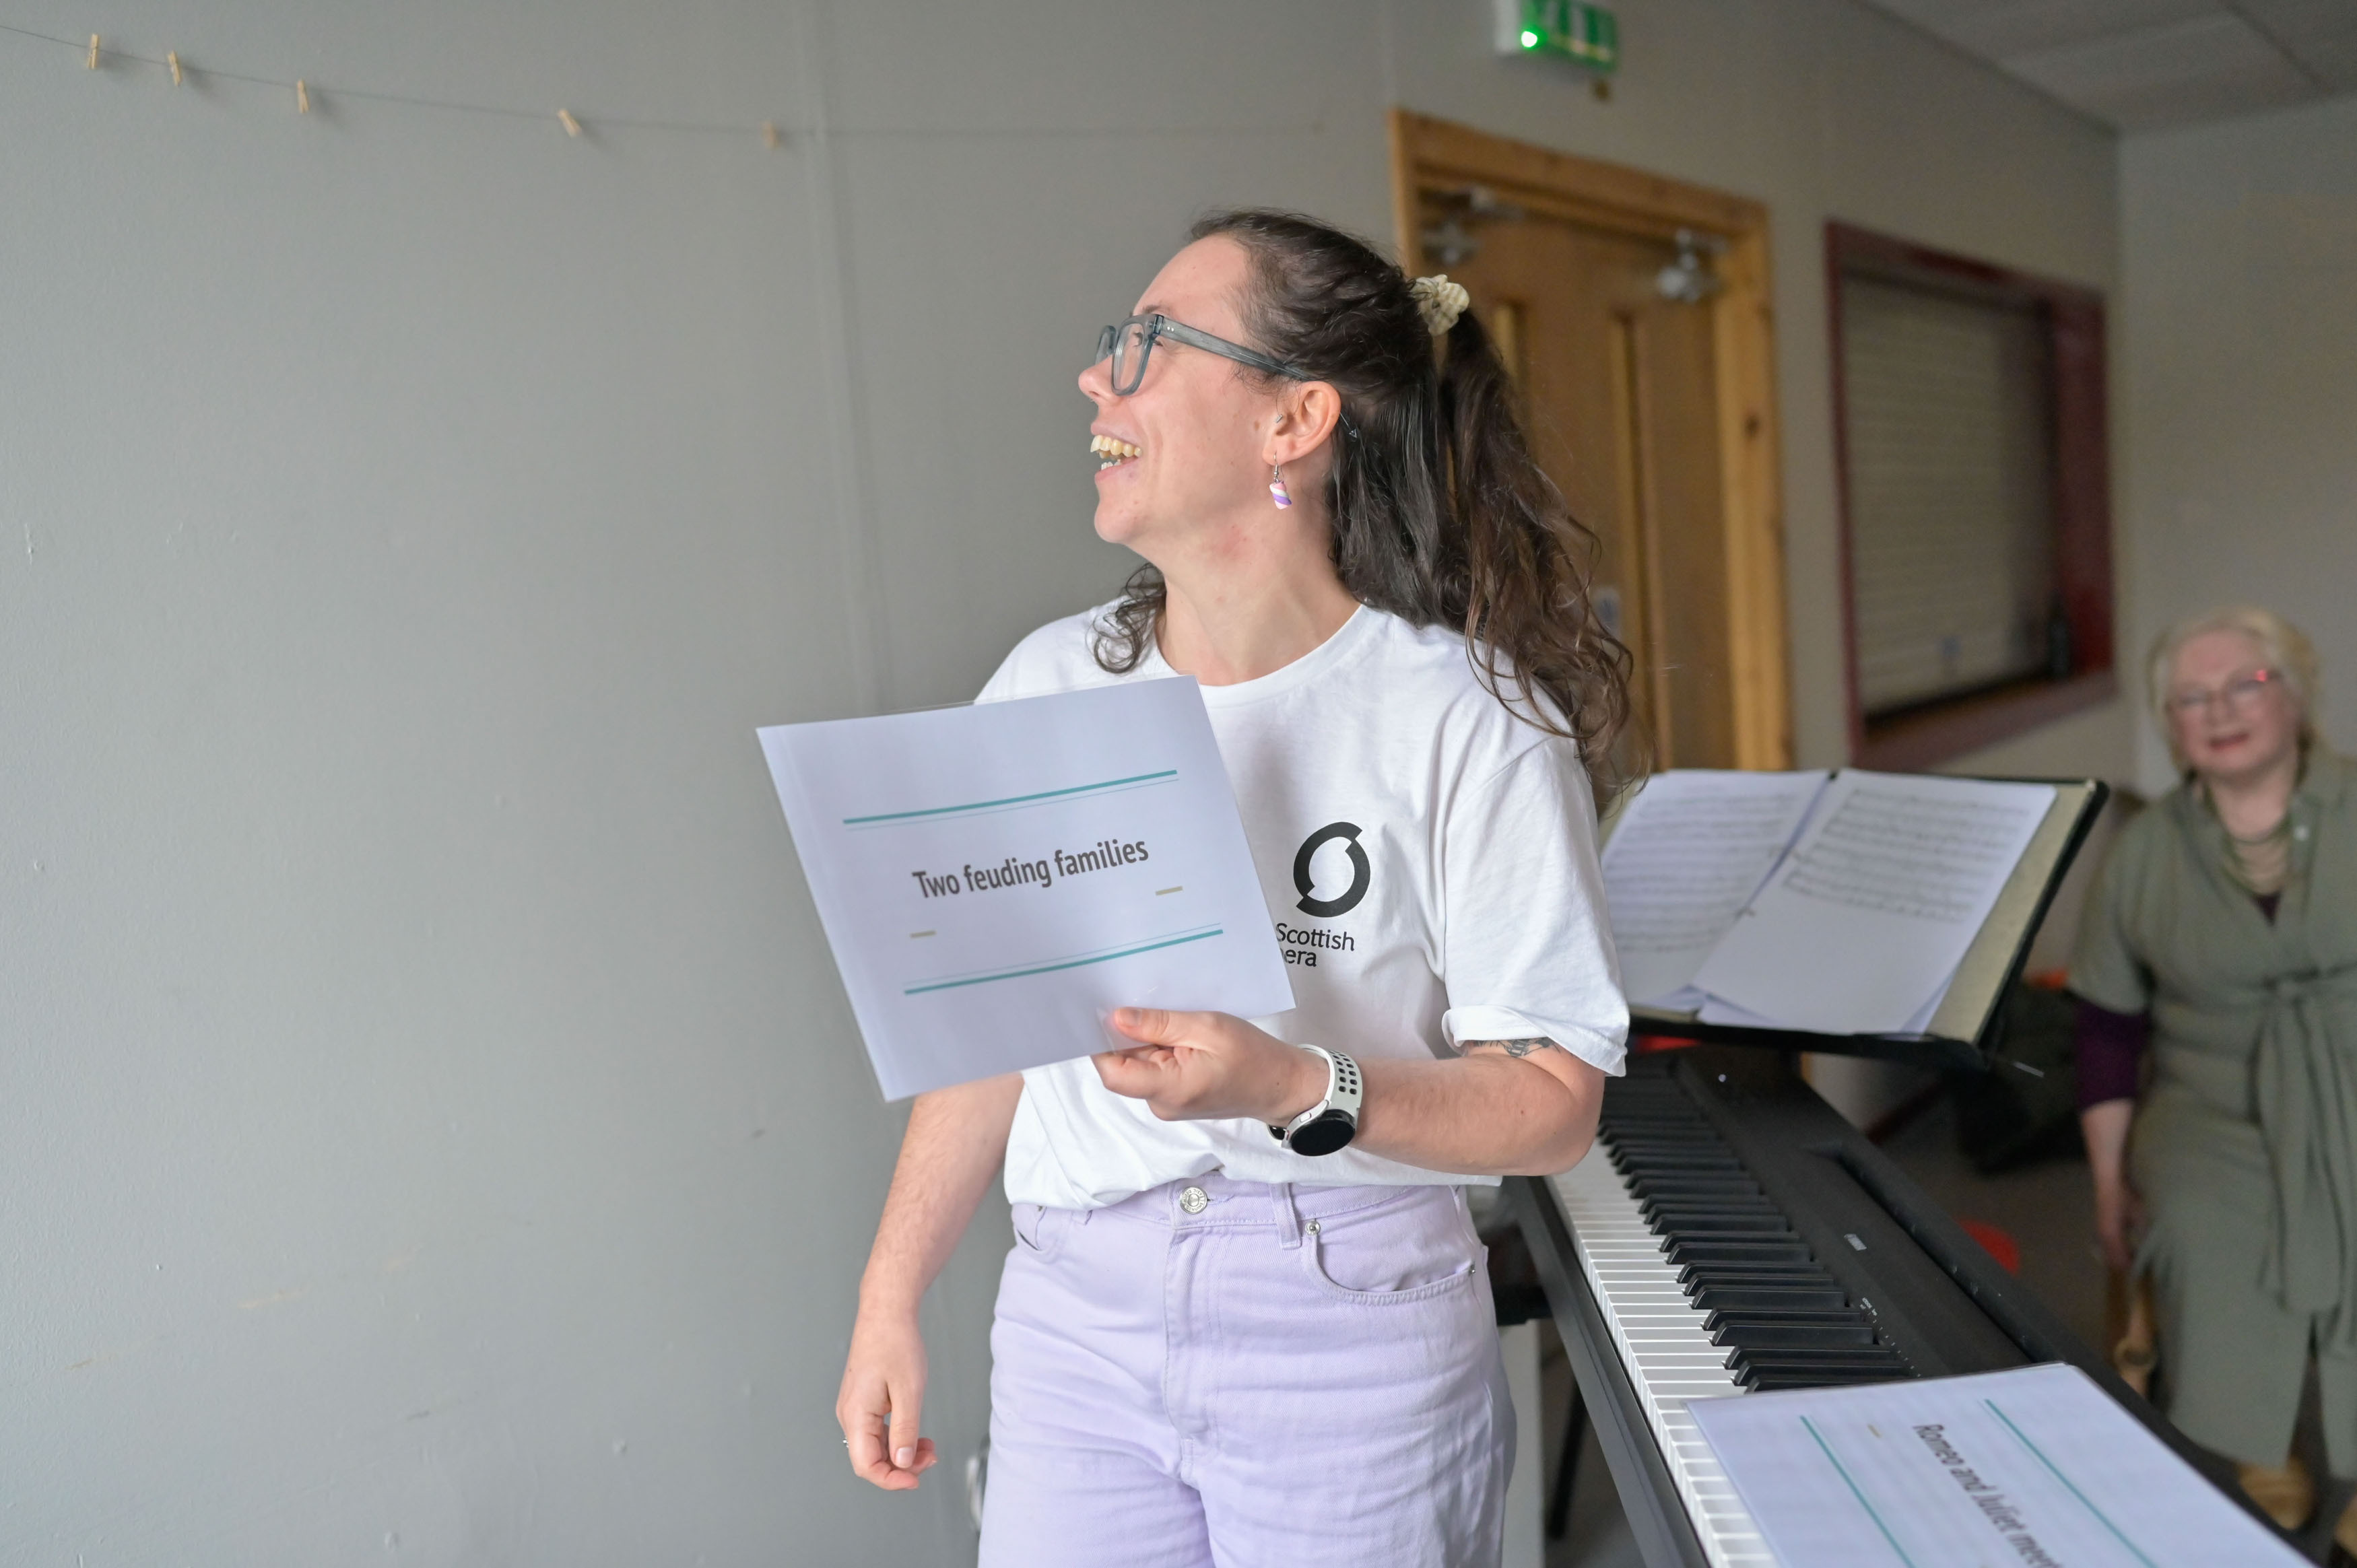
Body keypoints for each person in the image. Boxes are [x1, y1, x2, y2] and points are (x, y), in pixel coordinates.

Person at [833, 210, 1634, 1565]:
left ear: (1295, 420)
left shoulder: (1469, 720)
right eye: (1109, 346)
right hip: (1075, 1323)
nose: (1100, 377)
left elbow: (1552, 1106)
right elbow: (994, 1038)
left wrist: (1291, 1086)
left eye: (1151, 344)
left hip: (1349, 1325)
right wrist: (890, 1288)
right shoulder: (1045, 683)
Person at [2071, 605, 2354, 1542]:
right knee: (2196, 1221)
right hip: (2209, 1104)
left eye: (2246, 683)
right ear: (2170, 724)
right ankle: (2259, 1439)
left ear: (2297, 696)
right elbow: (2109, 1030)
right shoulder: (2144, 854)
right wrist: (2110, 1179)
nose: (2221, 710)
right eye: (2191, 696)